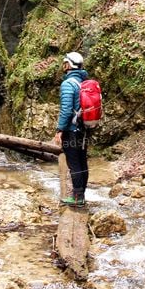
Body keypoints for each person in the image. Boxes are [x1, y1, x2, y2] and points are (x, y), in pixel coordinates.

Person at [52, 52, 89, 207]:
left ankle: (77, 198)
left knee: (74, 163)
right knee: (82, 161)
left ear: (68, 65)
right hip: (84, 129)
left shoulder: (68, 84)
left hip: (72, 130)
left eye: (64, 62)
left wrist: (59, 130)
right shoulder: (83, 82)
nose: (63, 65)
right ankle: (81, 194)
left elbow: (66, 109)